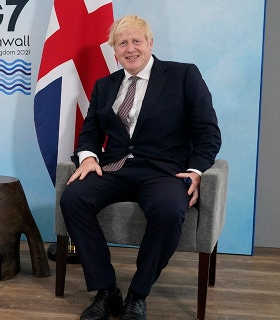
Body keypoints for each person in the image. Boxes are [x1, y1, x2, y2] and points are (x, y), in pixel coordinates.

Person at [60, 15, 221, 320]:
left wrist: (197, 171)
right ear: (115, 51)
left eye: (136, 41)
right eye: (123, 43)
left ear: (150, 44)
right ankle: (106, 291)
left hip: (164, 170)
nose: (130, 48)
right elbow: (91, 132)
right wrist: (89, 157)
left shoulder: (183, 75)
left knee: (170, 210)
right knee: (73, 198)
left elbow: (208, 132)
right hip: (116, 167)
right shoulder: (105, 85)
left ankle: (138, 294)